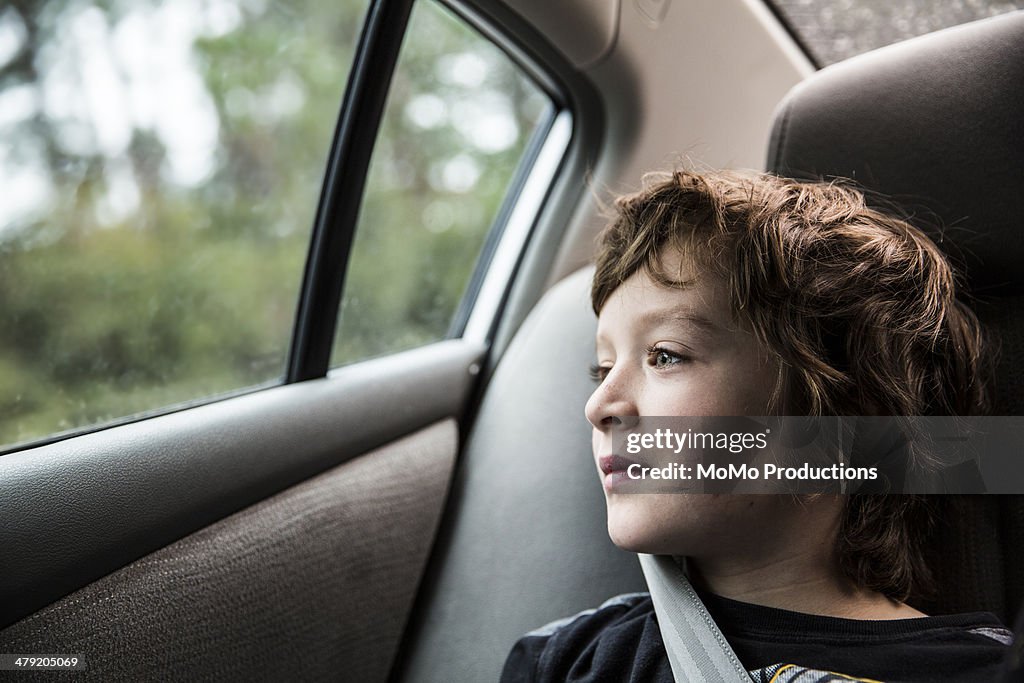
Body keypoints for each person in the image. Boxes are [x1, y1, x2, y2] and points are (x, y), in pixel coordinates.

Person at [500, 170, 1013, 682]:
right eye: (602, 369)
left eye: (666, 356)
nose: (599, 404)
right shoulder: (567, 659)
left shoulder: (978, 670)